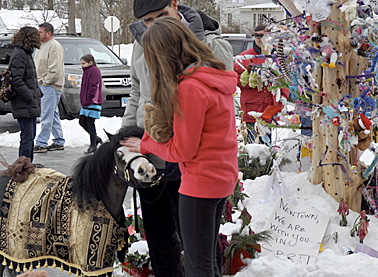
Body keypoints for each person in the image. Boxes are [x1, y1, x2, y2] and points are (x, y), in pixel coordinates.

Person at [121, 0, 234, 275]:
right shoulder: (145, 48)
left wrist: (149, 142)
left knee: (198, 254)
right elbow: (138, 93)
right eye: (148, 21)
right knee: (161, 239)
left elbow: (189, 142)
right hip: (163, 156)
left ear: (175, 6)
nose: (155, 24)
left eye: (162, 16)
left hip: (188, 165)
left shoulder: (196, 71)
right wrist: (128, 137)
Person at [234, 25, 289, 143]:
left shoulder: (277, 57)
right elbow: (235, 78)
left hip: (271, 109)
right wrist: (252, 81)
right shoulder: (245, 57)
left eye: (263, 36)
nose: (260, 39)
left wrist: (283, 97)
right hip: (252, 109)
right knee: (252, 146)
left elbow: (286, 80)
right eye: (257, 36)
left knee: (268, 147)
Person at [8, 26, 42, 162]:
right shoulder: (20, 54)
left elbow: (29, 79)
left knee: (30, 136)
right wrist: (30, 97)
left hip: (28, 103)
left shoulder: (25, 53)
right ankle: (23, 167)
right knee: (27, 137)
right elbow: (17, 80)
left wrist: (38, 94)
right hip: (24, 103)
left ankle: (27, 165)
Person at [34, 22, 65, 153]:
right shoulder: (40, 46)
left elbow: (55, 68)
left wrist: (46, 82)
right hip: (42, 84)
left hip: (50, 86)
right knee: (53, 114)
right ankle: (59, 140)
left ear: (48, 33)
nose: (38, 34)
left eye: (41, 32)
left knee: (46, 115)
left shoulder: (54, 46)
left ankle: (41, 143)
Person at [79, 54, 103, 154]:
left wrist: (89, 97)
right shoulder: (87, 71)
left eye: (83, 63)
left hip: (92, 101)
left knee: (90, 122)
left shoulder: (94, 70)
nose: (82, 66)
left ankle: (93, 144)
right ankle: (95, 138)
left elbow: (93, 85)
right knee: (82, 121)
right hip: (86, 101)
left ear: (90, 63)